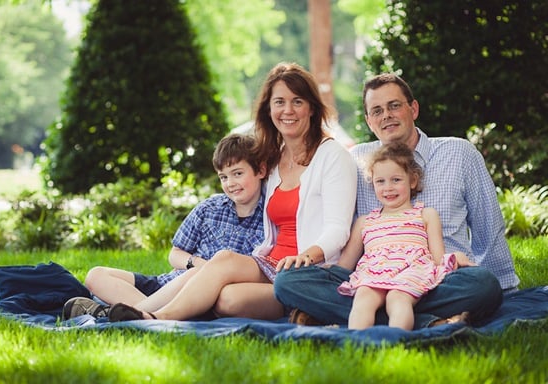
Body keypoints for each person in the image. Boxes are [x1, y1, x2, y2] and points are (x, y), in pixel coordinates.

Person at [105, 61, 357, 322]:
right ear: (268, 109)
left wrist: (306, 256)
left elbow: (338, 231)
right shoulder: (273, 159)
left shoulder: (333, 156)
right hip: (269, 263)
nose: (287, 110)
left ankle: (156, 317)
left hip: (306, 272)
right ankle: (149, 315)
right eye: (279, 102)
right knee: (222, 261)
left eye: (297, 101)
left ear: (312, 108)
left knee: (228, 299)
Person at [274, 73, 519, 329]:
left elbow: (488, 226)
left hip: (439, 278)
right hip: (372, 280)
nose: (386, 116)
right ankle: (427, 321)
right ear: (369, 121)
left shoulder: (458, 153)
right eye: (377, 111)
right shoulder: (357, 160)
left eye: (394, 106)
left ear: (413, 109)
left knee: (483, 285)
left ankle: (345, 315)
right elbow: (338, 228)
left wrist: (505, 289)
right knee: (287, 282)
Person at [62, 133, 266, 320]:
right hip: (168, 284)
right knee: (96, 275)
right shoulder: (210, 207)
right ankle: (141, 312)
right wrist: (200, 264)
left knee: (196, 275)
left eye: (237, 173)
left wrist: (206, 273)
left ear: (260, 170)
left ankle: (121, 315)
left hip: (205, 293)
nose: (230, 183)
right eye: (223, 177)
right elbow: (175, 254)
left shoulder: (270, 216)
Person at [338, 142, 466, 330]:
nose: (388, 188)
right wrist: (320, 272)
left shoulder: (425, 214)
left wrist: (455, 259)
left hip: (411, 272)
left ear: (412, 181)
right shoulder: (365, 221)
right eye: (380, 181)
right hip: (375, 272)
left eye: (396, 180)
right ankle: (357, 343)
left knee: (396, 298)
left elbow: (438, 257)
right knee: (363, 296)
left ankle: (397, 340)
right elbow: (345, 265)